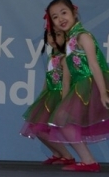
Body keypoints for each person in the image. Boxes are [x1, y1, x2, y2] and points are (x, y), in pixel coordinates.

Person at [46, 0, 109, 172]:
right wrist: (64, 99)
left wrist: (103, 94)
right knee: (62, 120)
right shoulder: (70, 40)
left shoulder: (83, 36)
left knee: (64, 121)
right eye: (55, 17)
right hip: (79, 86)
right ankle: (88, 161)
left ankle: (88, 161)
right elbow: (68, 73)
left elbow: (94, 65)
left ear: (74, 13)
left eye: (64, 13)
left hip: (91, 83)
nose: (60, 19)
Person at [20, 24, 74, 165]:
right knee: (36, 128)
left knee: (44, 129)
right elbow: (48, 79)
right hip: (49, 96)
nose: (53, 39)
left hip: (59, 97)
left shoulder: (65, 59)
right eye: (50, 35)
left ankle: (67, 156)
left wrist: (64, 104)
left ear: (66, 37)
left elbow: (66, 83)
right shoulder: (52, 57)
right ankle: (57, 153)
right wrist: (42, 96)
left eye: (58, 35)